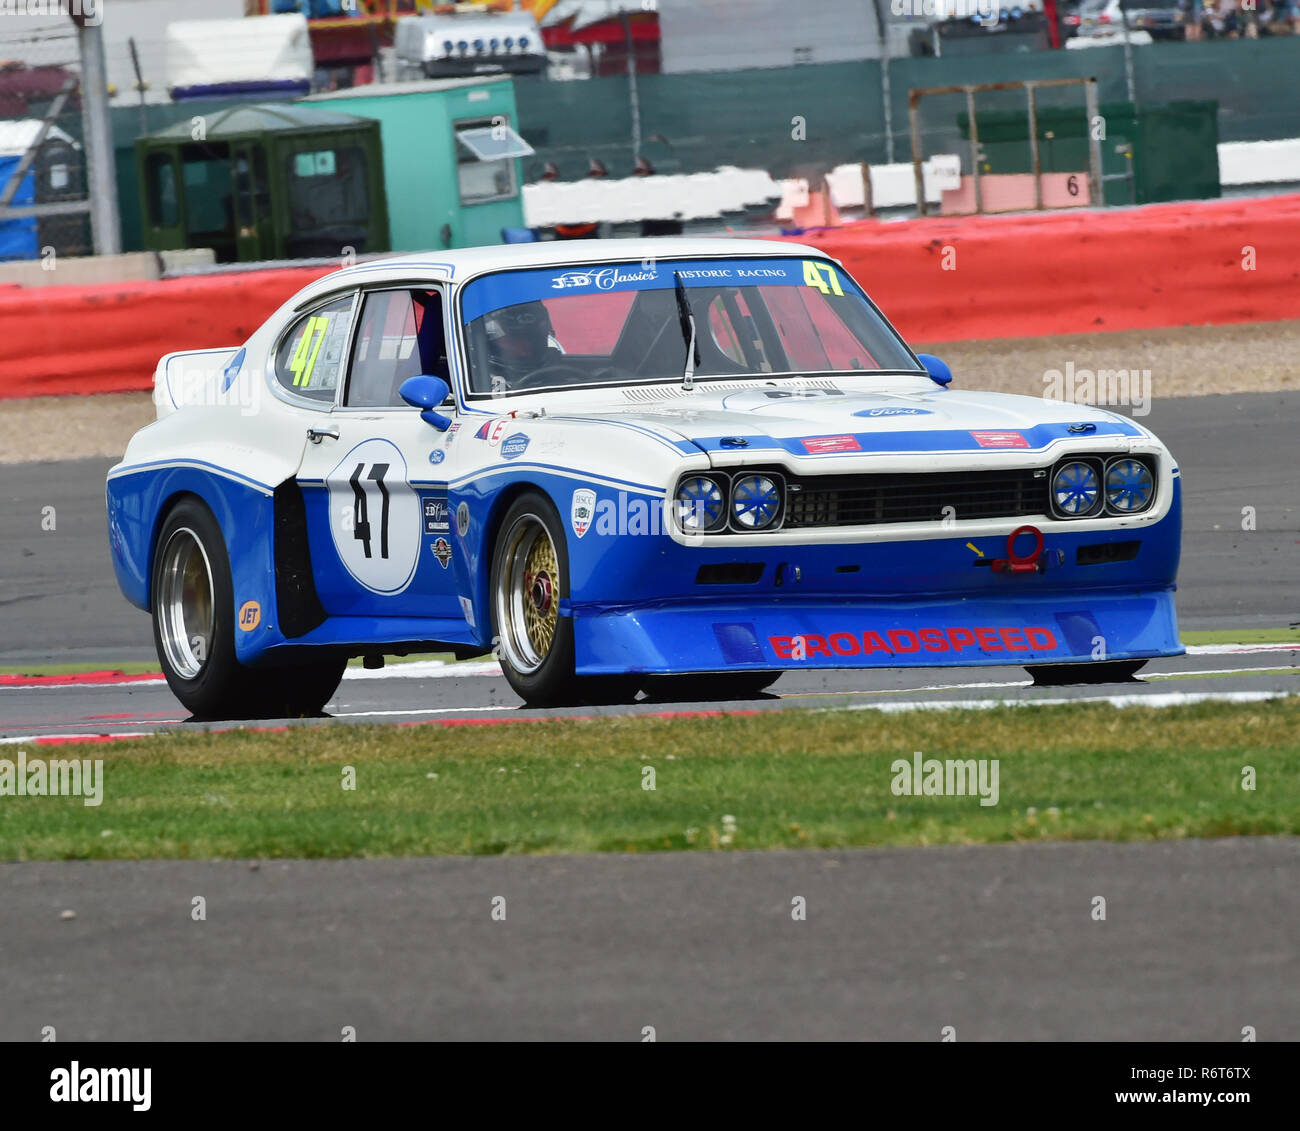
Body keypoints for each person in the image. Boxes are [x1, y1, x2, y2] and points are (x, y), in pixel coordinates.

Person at [484, 301, 565, 389]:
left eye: (533, 338)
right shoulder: (478, 380)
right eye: (515, 341)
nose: (526, 350)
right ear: (491, 342)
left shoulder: (560, 366)